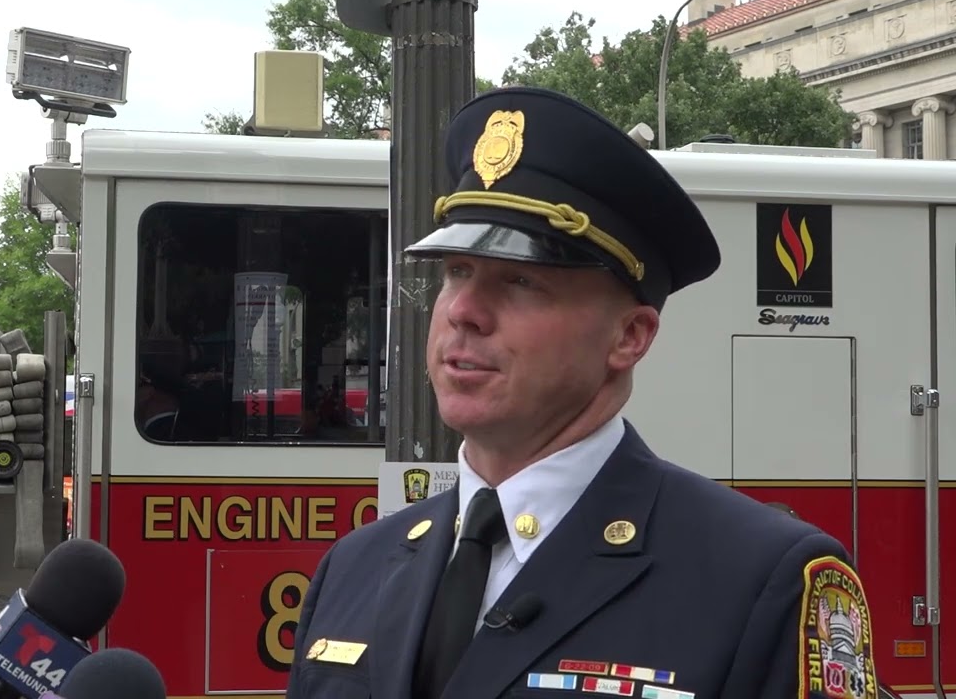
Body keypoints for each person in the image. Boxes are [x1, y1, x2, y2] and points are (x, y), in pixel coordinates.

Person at [285, 86, 876, 699]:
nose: (463, 311)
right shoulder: (354, 568)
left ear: (629, 336)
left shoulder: (758, 580)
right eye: (457, 272)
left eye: (519, 281)